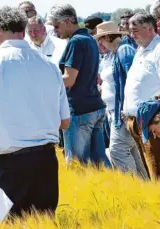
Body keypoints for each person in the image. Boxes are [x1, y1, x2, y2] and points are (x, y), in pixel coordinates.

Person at [0, 6, 70, 217]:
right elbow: (64, 122)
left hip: (11, 166)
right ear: (23, 30)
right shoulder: (49, 65)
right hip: (47, 163)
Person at [124, 12, 160, 182]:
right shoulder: (141, 51)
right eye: (130, 31)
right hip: (140, 121)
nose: (131, 35)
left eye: (135, 30)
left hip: (156, 123)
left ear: (150, 29)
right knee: (154, 174)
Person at [48, 4, 110, 167]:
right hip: (95, 107)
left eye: (56, 26)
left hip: (79, 111)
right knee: (100, 164)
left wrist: (44, 81)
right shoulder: (89, 39)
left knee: (77, 166)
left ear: (67, 21)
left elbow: (69, 80)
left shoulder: (75, 42)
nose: (55, 31)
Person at [95, 21, 149, 179]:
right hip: (116, 112)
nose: (100, 43)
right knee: (132, 152)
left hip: (122, 112)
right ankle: (145, 189)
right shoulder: (115, 53)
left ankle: (132, 190)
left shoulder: (124, 51)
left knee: (117, 150)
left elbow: (131, 82)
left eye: (101, 39)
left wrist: (126, 109)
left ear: (107, 37)